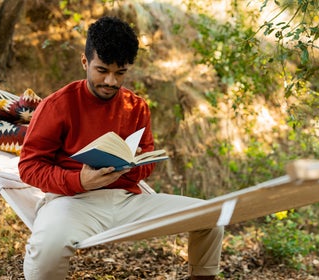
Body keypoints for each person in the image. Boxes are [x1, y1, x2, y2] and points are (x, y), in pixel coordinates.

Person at [18, 16, 223, 280]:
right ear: (85, 62)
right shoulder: (58, 105)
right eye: (102, 70)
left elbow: (145, 163)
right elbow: (29, 168)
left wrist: (133, 165)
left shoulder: (136, 106)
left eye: (121, 72)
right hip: (71, 202)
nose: (112, 81)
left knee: (211, 217)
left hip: (127, 201)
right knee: (47, 249)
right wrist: (79, 180)